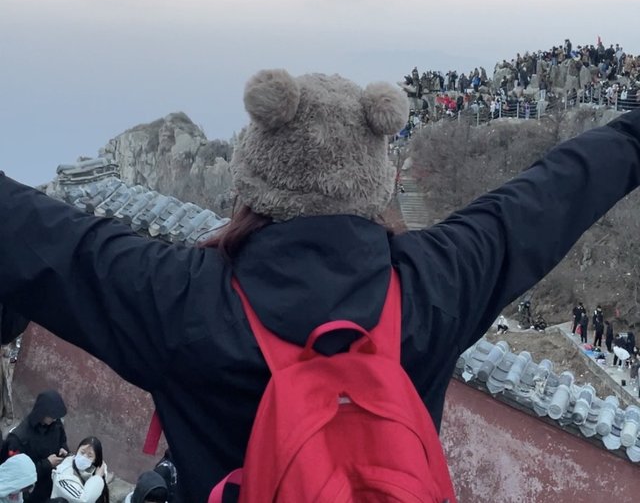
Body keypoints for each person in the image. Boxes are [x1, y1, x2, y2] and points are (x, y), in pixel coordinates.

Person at [0, 70, 639, 502]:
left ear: (253, 179)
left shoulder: (179, 298)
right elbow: (548, 194)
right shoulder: (435, 283)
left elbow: (47, 239)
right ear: (375, 178)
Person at [0, 390, 67, 503]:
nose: (55, 419)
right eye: (52, 416)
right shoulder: (19, 438)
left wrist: (63, 449)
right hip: (27, 491)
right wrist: (46, 464)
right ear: (42, 413)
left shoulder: (55, 425)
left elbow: (62, 441)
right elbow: (13, 474)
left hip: (49, 483)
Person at [51, 436, 109, 503]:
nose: (84, 457)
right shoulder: (63, 477)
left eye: (89, 456)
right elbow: (83, 499)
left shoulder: (94, 471)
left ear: (95, 460)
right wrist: (97, 478)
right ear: (77, 450)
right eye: (82, 452)